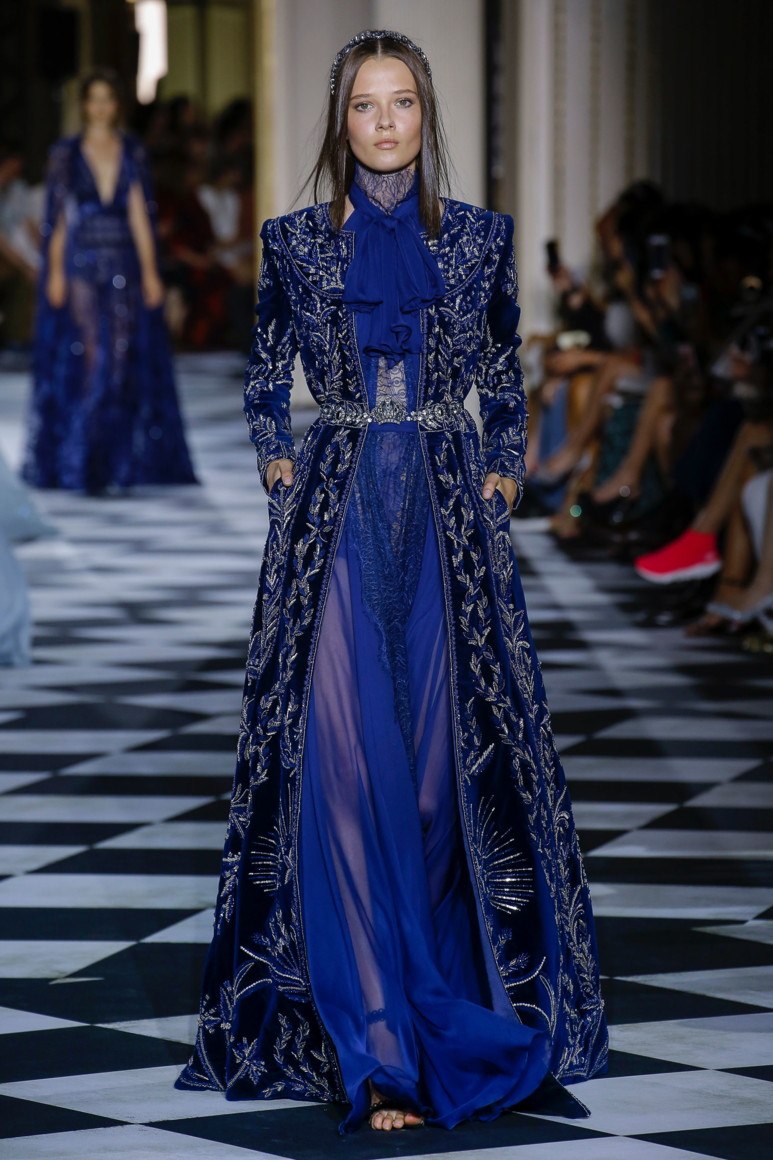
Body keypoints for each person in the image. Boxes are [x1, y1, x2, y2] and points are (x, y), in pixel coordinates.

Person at [177, 30, 607, 1134]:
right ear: (340, 120)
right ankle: (375, 1047)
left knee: (432, 783)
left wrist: (504, 469)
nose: (383, 122)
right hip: (333, 516)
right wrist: (276, 457)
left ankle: (438, 993)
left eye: (401, 102)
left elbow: (503, 372)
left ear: (425, 114)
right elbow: (262, 376)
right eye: (364, 104)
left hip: (446, 518)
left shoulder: (478, 240)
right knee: (339, 767)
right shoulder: (292, 243)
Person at [23, 68, 196, 493]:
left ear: (116, 105)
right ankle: (84, 460)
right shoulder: (66, 153)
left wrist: (151, 273)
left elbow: (140, 215)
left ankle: (110, 459)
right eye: (94, 99)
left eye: (108, 99)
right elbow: (58, 219)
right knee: (91, 356)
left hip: (123, 263)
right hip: (82, 264)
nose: (100, 107)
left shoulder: (131, 150)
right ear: (85, 105)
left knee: (119, 360)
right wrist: (55, 272)